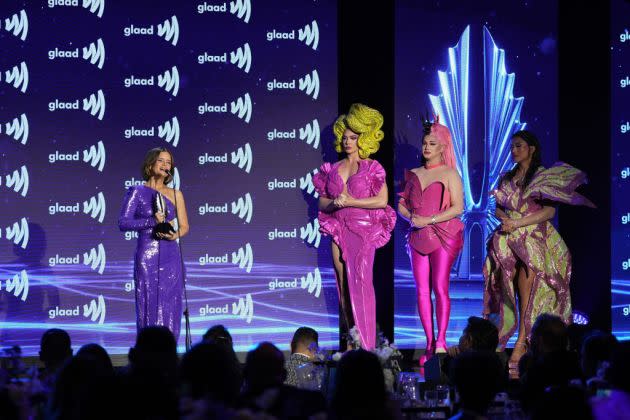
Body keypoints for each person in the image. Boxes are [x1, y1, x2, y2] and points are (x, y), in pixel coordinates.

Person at [483, 130, 595, 370]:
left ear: (531, 149)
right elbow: (497, 208)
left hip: (533, 236)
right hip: (508, 235)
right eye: (512, 146)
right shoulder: (506, 178)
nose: (514, 150)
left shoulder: (543, 176)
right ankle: (506, 336)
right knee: (502, 285)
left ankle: (522, 341)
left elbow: (549, 212)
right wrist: (505, 219)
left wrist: (518, 222)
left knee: (528, 288)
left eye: (519, 146)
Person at [313, 103, 396, 350]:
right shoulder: (335, 168)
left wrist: (352, 201)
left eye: (353, 137)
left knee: (361, 282)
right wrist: (335, 203)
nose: (348, 142)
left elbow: (382, 200)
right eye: (345, 137)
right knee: (343, 284)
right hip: (338, 228)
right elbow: (322, 201)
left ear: (363, 138)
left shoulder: (372, 167)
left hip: (363, 230)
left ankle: (367, 346)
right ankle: (351, 343)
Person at [397, 115, 464, 364]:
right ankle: (428, 343)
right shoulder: (413, 173)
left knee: (439, 287)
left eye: (432, 144)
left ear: (443, 147)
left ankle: (442, 341)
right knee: (422, 291)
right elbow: (401, 203)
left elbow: (458, 207)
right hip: (417, 236)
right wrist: (411, 217)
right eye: (425, 143)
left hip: (442, 235)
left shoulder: (450, 173)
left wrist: (431, 219)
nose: (426, 147)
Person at [118, 147, 189, 341]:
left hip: (171, 256)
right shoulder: (137, 191)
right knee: (148, 301)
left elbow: (184, 227)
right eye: (161, 161)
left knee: (170, 304)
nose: (166, 165)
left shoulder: (176, 194)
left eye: (169, 162)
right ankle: (148, 352)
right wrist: (152, 222)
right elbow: (123, 223)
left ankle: (169, 351)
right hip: (147, 254)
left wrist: (174, 236)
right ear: (150, 165)